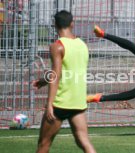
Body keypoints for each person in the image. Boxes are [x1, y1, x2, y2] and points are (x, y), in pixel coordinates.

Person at [33, 10, 97, 153]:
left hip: (60, 103)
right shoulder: (82, 44)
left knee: (43, 144)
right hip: (78, 102)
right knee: (84, 143)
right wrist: (44, 80)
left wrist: (49, 104)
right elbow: (68, 71)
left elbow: (56, 75)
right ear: (72, 24)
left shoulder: (57, 46)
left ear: (54, 25)